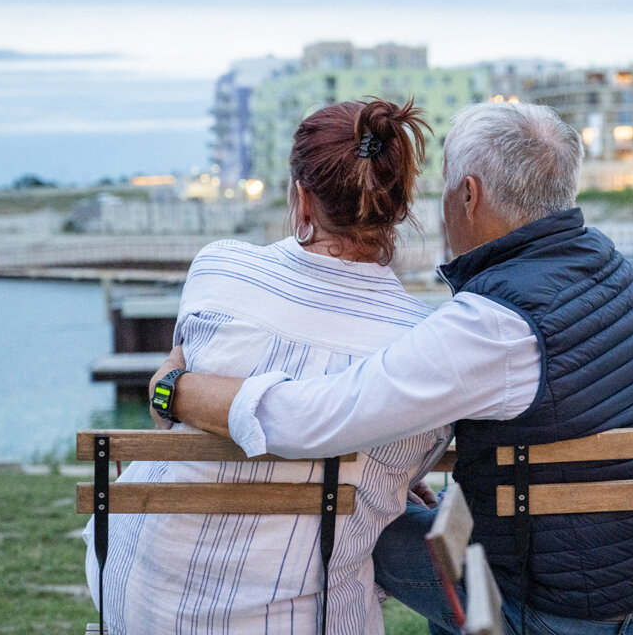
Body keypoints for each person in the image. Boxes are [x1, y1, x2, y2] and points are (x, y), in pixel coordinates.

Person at [153, 102, 633, 635]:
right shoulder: (605, 264)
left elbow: (304, 420)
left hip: (564, 618)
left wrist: (173, 390)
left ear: (469, 195)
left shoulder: (493, 326)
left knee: (373, 525)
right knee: (430, 521)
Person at [85, 98, 451, 635]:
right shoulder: (425, 345)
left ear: (302, 199)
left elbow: (169, 410)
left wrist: (172, 381)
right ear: (401, 205)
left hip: (138, 593)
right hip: (308, 619)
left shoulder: (220, 267)